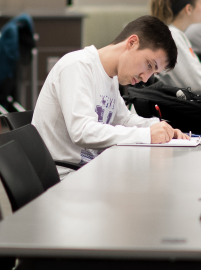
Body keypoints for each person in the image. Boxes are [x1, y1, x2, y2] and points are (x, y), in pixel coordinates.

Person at [32, 15, 188, 178]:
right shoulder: (78, 66)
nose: (145, 78)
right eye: (149, 65)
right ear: (132, 42)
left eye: (153, 73)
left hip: (88, 171)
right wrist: (147, 135)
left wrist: (159, 128)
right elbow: (82, 131)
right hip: (64, 177)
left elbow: (123, 119)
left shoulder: (111, 78)